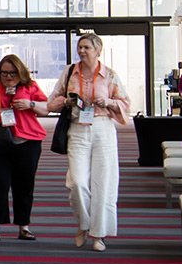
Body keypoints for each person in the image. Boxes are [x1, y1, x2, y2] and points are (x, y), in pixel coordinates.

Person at [47, 33, 130, 252]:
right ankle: (83, 224)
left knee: (103, 183)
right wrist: (66, 101)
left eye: (87, 47)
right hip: (77, 128)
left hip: (103, 127)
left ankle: (98, 233)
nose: (82, 51)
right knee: (77, 182)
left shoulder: (110, 75)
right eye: (80, 47)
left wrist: (110, 102)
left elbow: (126, 104)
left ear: (98, 50)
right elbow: (51, 102)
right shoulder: (69, 72)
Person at [0, 54, 50, 242]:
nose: (8, 77)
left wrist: (29, 104)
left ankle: (24, 226)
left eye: (12, 73)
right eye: (4, 73)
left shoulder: (29, 86)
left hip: (27, 142)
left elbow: (46, 108)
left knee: (24, 185)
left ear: (20, 72)